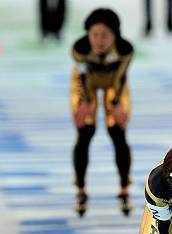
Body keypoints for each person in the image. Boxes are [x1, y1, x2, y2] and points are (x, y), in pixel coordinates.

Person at [70, 8, 134, 217]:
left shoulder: (125, 50)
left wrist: (115, 105)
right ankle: (80, 189)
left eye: (104, 35)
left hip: (113, 83)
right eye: (94, 35)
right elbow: (83, 78)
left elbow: (120, 78)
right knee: (85, 131)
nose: (98, 41)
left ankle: (124, 188)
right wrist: (87, 102)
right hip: (86, 83)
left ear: (115, 36)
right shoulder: (79, 49)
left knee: (117, 131)